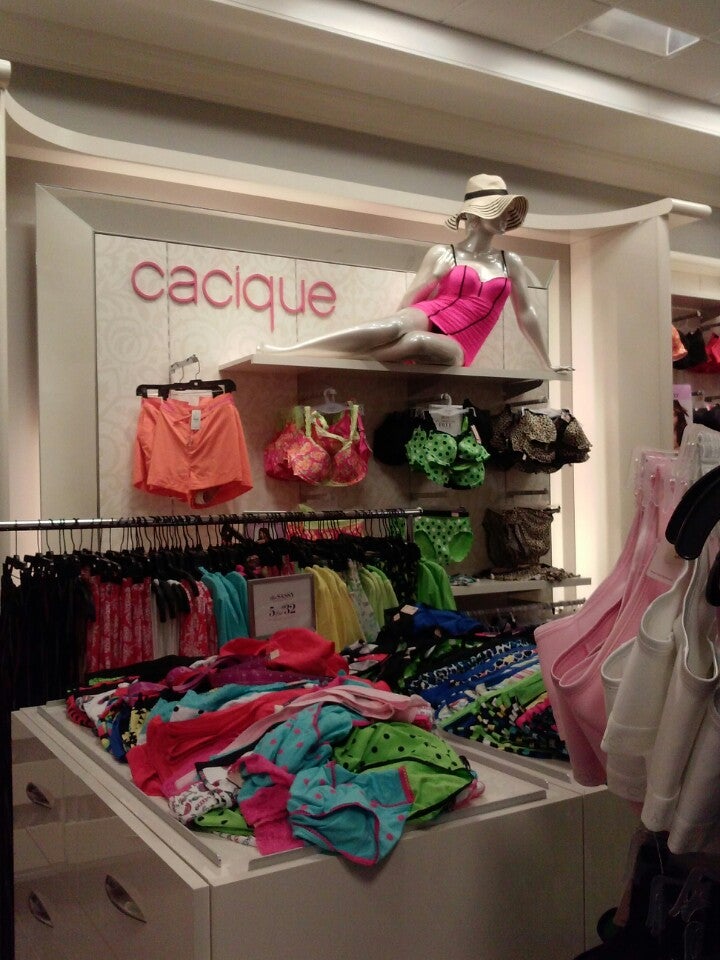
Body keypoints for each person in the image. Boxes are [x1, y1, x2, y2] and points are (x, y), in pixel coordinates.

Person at [259, 174, 555, 369]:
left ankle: (334, 357)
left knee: (416, 342)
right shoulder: (443, 253)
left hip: (463, 341)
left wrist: (547, 363)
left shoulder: (510, 261)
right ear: (477, 213)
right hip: (432, 312)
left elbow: (526, 314)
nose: (505, 216)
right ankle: (291, 352)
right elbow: (411, 300)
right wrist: (425, 288)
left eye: (506, 210)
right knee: (392, 327)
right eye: (498, 209)